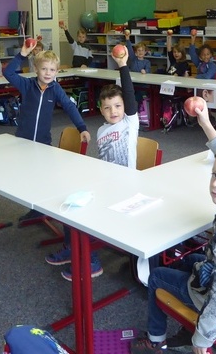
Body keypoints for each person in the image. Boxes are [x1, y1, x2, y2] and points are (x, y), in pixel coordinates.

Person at [130, 103, 216, 354]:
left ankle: (155, 339)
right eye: (215, 174)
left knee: (157, 276)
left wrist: (203, 338)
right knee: (187, 261)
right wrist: (205, 122)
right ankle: (184, 324)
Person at [46, 45, 139, 281]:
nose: (113, 111)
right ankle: (72, 247)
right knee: (71, 201)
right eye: (107, 108)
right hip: (106, 183)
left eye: (117, 106)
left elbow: (129, 94)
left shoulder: (129, 123)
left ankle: (91, 260)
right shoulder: (101, 131)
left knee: (89, 213)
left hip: (125, 187)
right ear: (101, 110)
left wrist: (122, 65)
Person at [3, 42, 91, 225]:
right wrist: (22, 54)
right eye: (44, 69)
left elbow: (69, 106)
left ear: (57, 72)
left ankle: (43, 208)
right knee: (28, 177)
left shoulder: (55, 89)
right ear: (36, 69)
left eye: (52, 70)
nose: (48, 73)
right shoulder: (27, 85)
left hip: (43, 142)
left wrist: (81, 127)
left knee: (43, 177)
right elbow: (8, 73)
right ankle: (35, 209)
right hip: (23, 140)